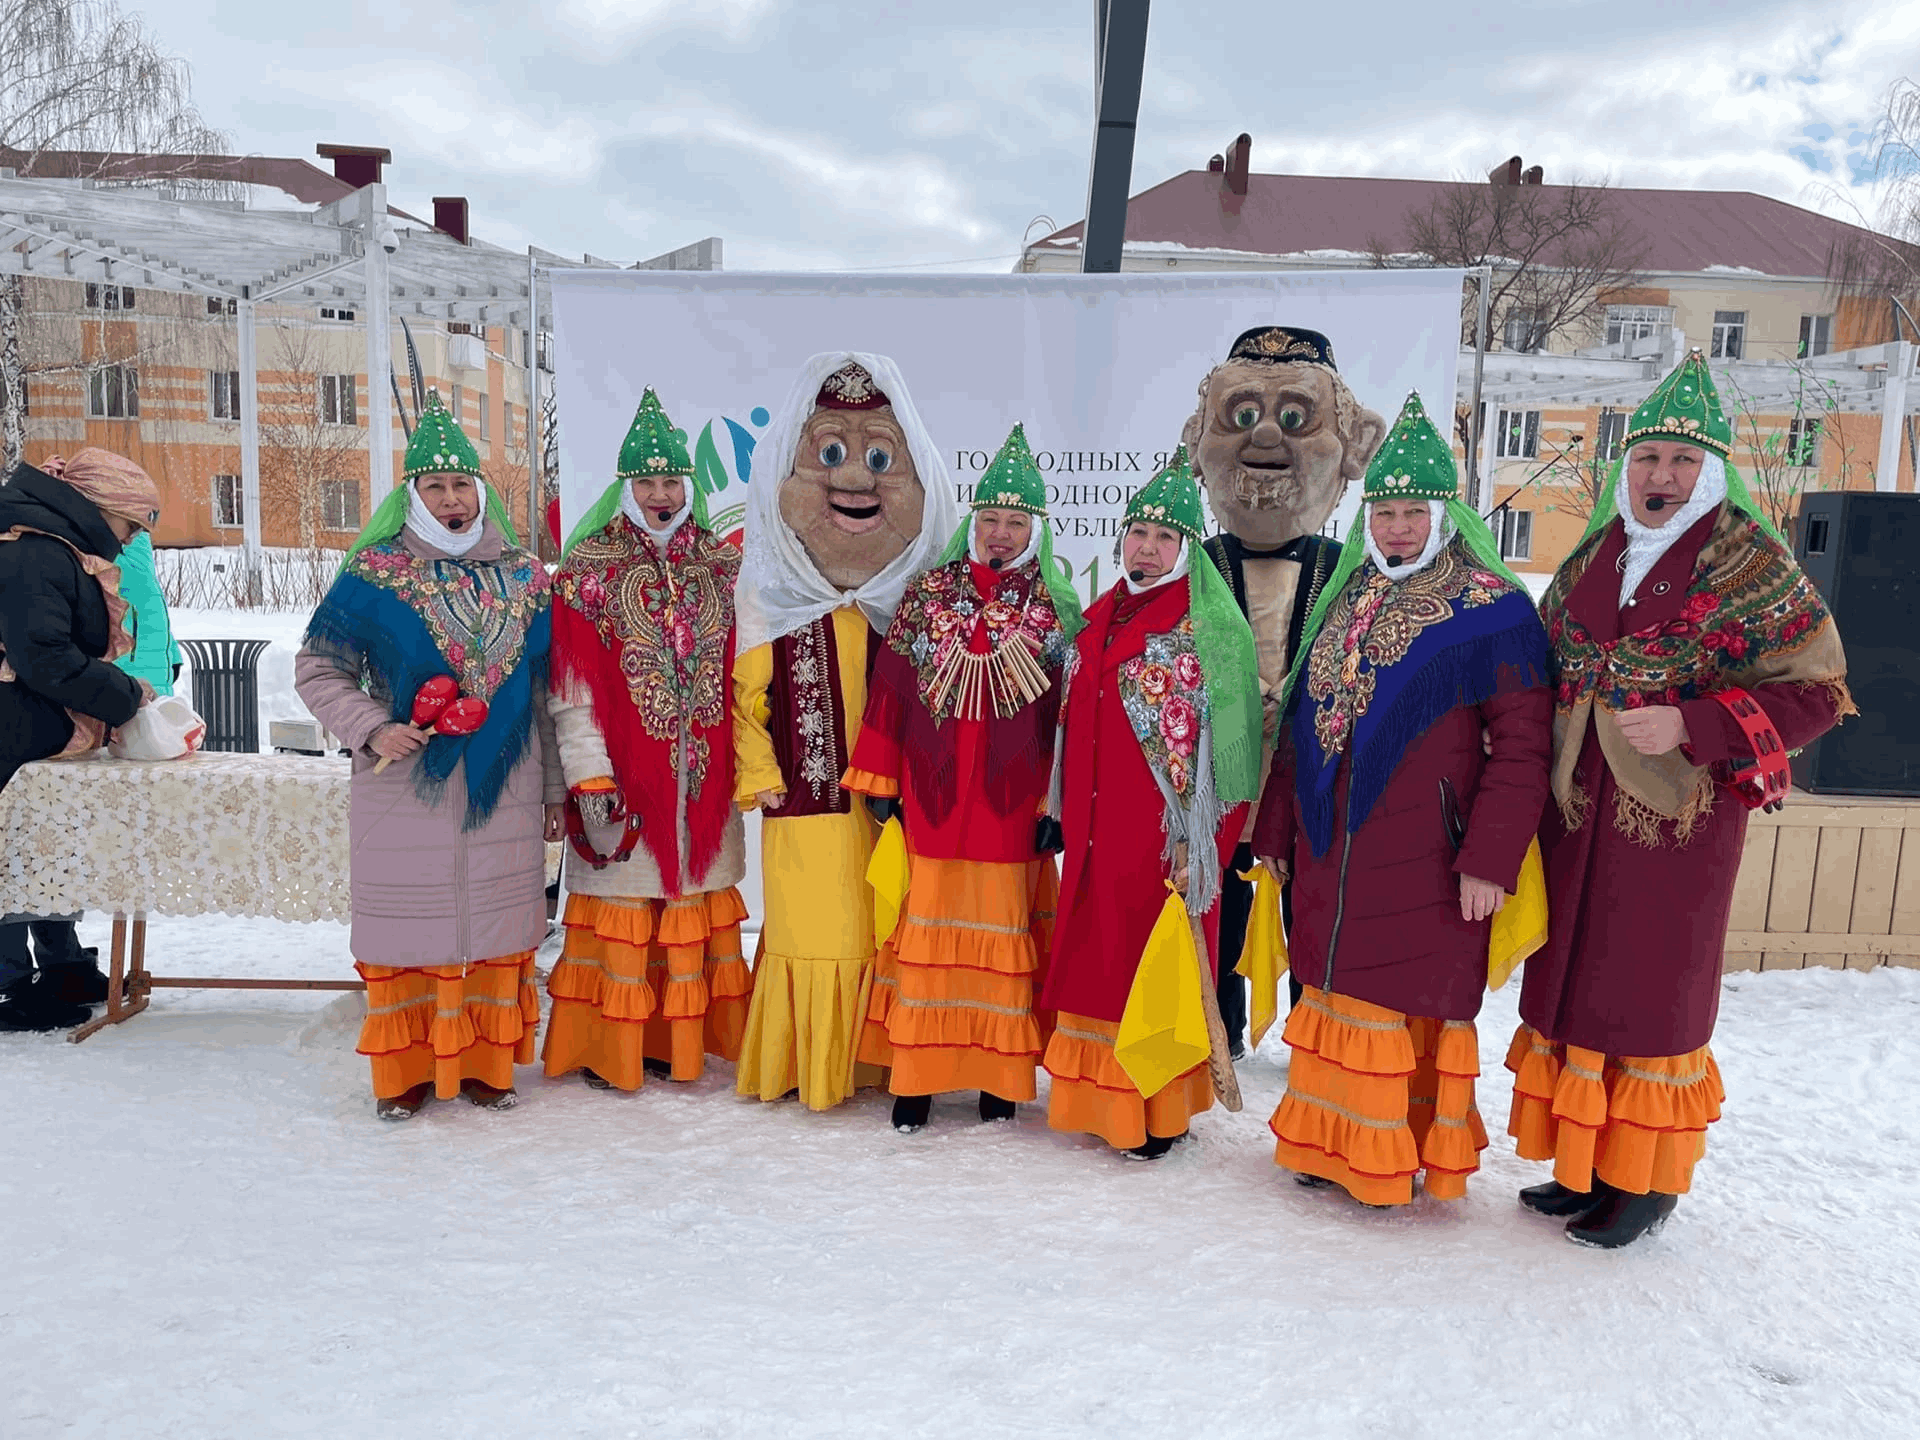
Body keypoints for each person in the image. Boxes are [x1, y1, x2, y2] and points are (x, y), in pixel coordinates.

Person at [1510, 351, 1852, 1247]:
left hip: (1675, 825)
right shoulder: (1600, 546)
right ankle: (1583, 1166)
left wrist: (1697, 724)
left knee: (1648, 992)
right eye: (1648, 460)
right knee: (1577, 977)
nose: (1660, 478)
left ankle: (1645, 1185)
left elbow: (1820, 692)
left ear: (1713, 472)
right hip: (1579, 810)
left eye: (1680, 462)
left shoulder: (1751, 559)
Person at [1252, 392, 1551, 1207]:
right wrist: (1275, 829)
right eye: (1383, 513)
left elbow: (1524, 748)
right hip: (1331, 850)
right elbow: (1303, 723)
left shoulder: (1494, 610)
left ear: (1443, 513)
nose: (1395, 529)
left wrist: (1489, 857)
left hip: (1430, 857)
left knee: (1399, 1002)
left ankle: (1388, 1156)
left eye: (1411, 512)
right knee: (1338, 992)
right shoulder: (1346, 596)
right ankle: (1324, 1142)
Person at [295, 392, 563, 1120]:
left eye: (463, 485)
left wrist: (555, 795)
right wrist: (373, 727)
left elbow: (546, 697)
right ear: (411, 496)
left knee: (497, 934)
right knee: (409, 935)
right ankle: (405, 1077)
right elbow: (319, 670)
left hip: (504, 788)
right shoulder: (374, 575)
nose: (452, 499)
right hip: (401, 786)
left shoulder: (526, 578)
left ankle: (485, 1066)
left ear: (483, 493)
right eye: (436, 486)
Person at [732, 353, 958, 1110]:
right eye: (828, 454)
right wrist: (758, 773)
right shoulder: (775, 599)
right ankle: (815, 1062)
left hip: (900, 814)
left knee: (886, 929)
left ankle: (883, 1060)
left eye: (879, 458)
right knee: (818, 931)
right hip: (807, 804)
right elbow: (743, 701)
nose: (853, 480)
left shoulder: (921, 604)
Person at [843, 422, 1083, 1131]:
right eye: (989, 521)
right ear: (972, 524)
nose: (999, 535)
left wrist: (1057, 800)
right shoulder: (928, 594)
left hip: (1012, 807)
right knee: (926, 938)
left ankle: (996, 1082)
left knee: (999, 934)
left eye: (1014, 523)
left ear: (1035, 530)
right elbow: (889, 692)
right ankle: (915, 1080)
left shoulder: (1056, 610)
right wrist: (882, 784)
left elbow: (1068, 722)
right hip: (933, 795)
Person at [1041, 446, 1262, 1159]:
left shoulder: (1212, 628)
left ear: (1188, 548)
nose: (1148, 546)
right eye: (1139, 533)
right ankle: (1095, 1101)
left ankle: (1156, 1113)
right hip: (1098, 826)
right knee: (1099, 958)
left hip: (1162, 835)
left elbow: (1232, 757)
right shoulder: (1100, 614)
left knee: (1148, 965)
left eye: (1165, 537)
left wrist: (1207, 845)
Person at [542, 388, 752, 1091]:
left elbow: (750, 677)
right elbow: (572, 693)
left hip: (704, 781)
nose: (661, 494)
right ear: (624, 487)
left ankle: (676, 1045)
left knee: (687, 909)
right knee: (627, 915)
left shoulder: (725, 567)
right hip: (625, 776)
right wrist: (589, 776)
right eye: (647, 482)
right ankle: (615, 1049)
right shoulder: (589, 570)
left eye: (672, 481)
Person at [1185, 325, 1386, 1052]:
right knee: (1222, 908)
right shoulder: (1190, 570)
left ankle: (1314, 1026)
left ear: (1356, 445)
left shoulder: (1356, 574)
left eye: (1295, 418)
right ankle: (1222, 1025)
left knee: (1315, 911)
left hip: (1313, 790)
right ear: (1195, 443)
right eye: (1239, 416)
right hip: (1224, 787)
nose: (1263, 437)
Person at [0, 449, 161, 1031]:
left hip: (30, 723)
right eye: (129, 527)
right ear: (99, 510)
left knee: (47, 842)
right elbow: (42, 654)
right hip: (12, 725)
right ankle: (8, 981)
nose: (127, 542)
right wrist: (120, 693)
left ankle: (61, 962)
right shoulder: (31, 550)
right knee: (16, 849)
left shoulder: (51, 546)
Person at [113, 530, 182, 697]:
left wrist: (172, 653)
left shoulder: (139, 543)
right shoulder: (101, 547)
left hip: (153, 678)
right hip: (127, 679)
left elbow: (151, 606)